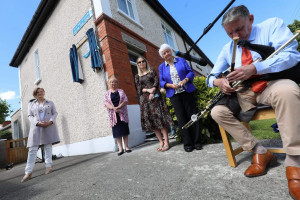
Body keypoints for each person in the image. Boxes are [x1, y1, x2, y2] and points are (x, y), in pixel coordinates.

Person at [206, 5, 300, 199]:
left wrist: (256, 68)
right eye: (229, 33)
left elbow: (291, 55)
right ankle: (260, 151)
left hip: (270, 83)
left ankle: (294, 160)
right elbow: (211, 75)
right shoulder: (227, 49)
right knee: (217, 112)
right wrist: (218, 81)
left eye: (239, 29)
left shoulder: (272, 25)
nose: (235, 36)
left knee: (288, 90)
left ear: (250, 18)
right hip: (245, 92)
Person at [159, 44, 202, 152]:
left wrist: (185, 80)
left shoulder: (181, 60)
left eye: (168, 51)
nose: (166, 54)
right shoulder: (161, 67)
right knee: (181, 118)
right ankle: (188, 144)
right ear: (162, 56)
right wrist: (170, 85)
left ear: (171, 51)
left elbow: (191, 72)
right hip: (174, 95)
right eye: (164, 53)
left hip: (186, 91)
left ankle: (197, 142)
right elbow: (161, 81)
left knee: (192, 116)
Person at [21, 88, 60, 182]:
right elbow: (29, 116)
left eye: (41, 91)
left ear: (44, 93)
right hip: (36, 127)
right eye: (38, 92)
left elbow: (55, 113)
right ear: (35, 94)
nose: (40, 93)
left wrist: (50, 122)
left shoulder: (50, 103)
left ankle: (48, 167)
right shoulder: (31, 104)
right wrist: (37, 123)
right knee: (32, 149)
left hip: (48, 126)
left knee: (48, 147)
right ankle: (28, 172)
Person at [135, 56, 173, 151]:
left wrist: (153, 91)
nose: (141, 63)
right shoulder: (137, 76)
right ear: (138, 65)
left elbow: (156, 82)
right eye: (139, 62)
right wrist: (149, 90)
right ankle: (161, 142)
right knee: (153, 123)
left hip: (156, 99)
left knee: (161, 121)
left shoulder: (152, 71)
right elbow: (139, 89)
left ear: (146, 62)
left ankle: (167, 142)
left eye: (143, 61)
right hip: (145, 101)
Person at [104, 77, 131, 156]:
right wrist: (113, 108)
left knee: (124, 130)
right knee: (117, 131)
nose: (113, 83)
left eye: (115, 82)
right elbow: (106, 103)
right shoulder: (107, 93)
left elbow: (126, 100)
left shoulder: (121, 91)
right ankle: (120, 148)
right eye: (111, 82)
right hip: (113, 115)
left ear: (117, 83)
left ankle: (126, 147)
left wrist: (119, 106)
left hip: (122, 113)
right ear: (109, 84)